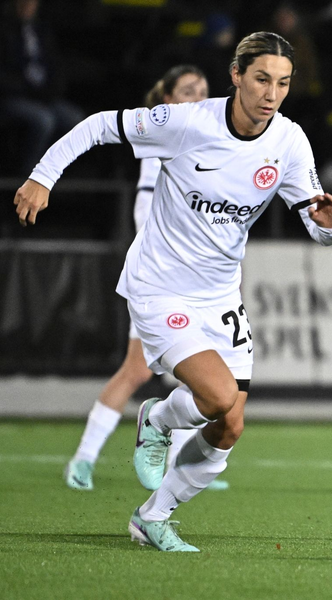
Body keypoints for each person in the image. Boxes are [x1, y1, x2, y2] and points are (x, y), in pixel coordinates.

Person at [14, 31, 332, 552]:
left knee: (230, 426)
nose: (271, 94)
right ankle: (159, 417)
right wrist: (43, 176)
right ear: (236, 76)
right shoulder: (188, 122)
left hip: (220, 296)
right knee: (214, 396)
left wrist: (327, 225)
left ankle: (153, 515)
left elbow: (320, 228)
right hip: (160, 287)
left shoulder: (290, 142)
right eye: (261, 79)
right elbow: (103, 126)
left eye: (282, 83)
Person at [63, 64, 236, 493]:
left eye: (203, 90)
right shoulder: (164, 141)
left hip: (194, 285)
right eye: (188, 90)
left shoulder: (209, 142)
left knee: (187, 376)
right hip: (161, 280)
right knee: (136, 371)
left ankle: (179, 463)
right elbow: (145, 210)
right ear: (167, 101)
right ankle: (83, 460)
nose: (199, 97)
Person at [0, 0, 84, 176]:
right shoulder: (5, 30)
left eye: (31, 3)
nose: (26, 6)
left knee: (75, 120)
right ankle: (29, 175)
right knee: (43, 121)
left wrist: (51, 90)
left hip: (44, 97)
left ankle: (57, 170)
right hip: (15, 97)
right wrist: (25, 89)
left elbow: (55, 67)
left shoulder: (42, 31)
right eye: (22, 3)